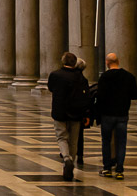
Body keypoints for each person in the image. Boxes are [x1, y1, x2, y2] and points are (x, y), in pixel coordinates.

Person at [47, 51, 91, 181]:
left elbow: (51, 88)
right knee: (73, 140)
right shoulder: (81, 78)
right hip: (76, 113)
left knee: (61, 137)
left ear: (63, 62)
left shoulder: (55, 75)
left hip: (60, 112)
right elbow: (86, 97)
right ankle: (71, 160)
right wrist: (86, 112)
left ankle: (66, 158)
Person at [96, 52, 137, 180]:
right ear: (118, 61)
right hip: (122, 114)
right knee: (121, 142)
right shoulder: (129, 77)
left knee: (106, 141)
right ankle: (120, 170)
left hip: (107, 114)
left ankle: (107, 168)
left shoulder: (104, 77)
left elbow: (100, 97)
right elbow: (135, 95)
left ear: (107, 62)